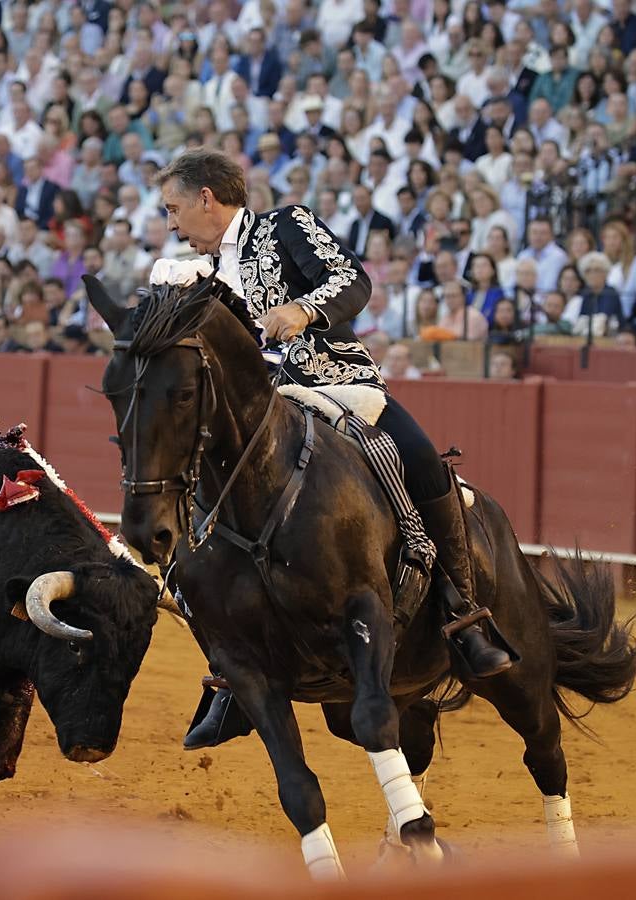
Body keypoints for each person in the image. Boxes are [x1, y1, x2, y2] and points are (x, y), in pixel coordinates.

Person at [152, 149, 513, 751]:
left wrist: (304, 308)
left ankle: (463, 612)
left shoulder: (285, 226)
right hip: (250, 420)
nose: (171, 223)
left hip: (332, 384)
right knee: (182, 516)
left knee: (421, 459)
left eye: (174, 208)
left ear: (207, 199)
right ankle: (226, 676)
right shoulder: (195, 273)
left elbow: (353, 280)